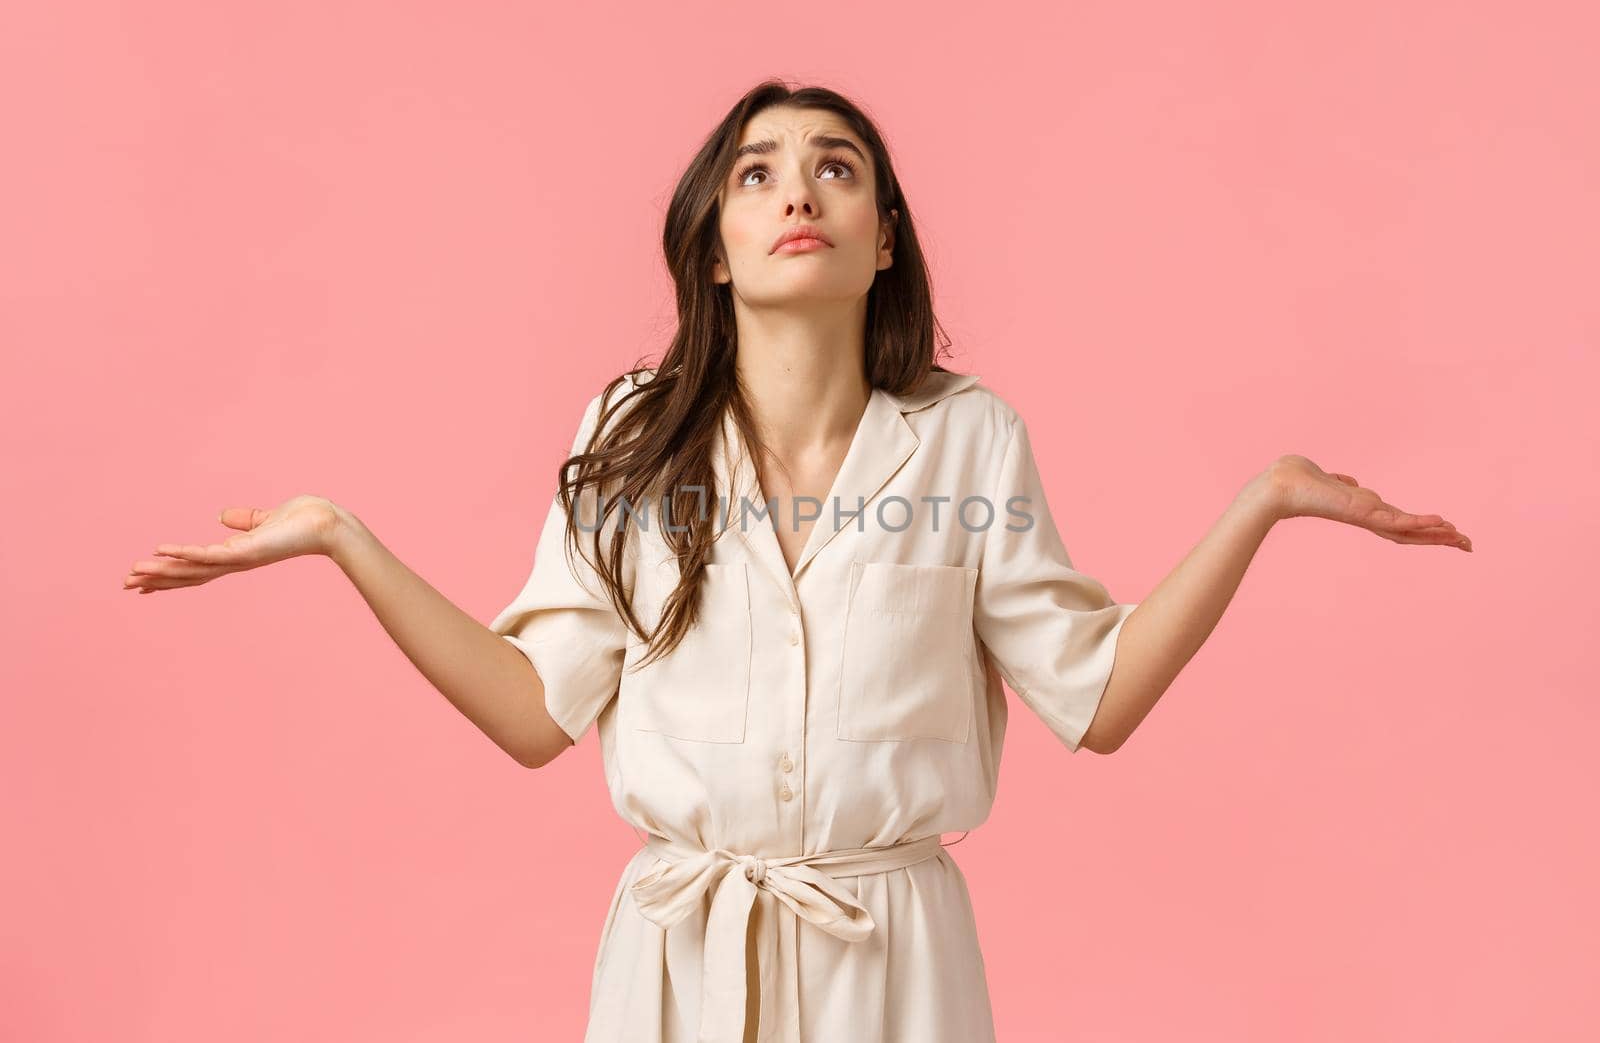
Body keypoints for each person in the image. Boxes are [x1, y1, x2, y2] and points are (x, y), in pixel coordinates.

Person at [122, 80, 1473, 1043]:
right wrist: (345, 542)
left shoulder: (964, 440)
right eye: (756, 173)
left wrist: (1264, 503)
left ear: (884, 238)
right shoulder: (627, 435)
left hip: (896, 964)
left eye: (838, 167)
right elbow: (536, 710)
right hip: (677, 964)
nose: (797, 192)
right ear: (712, 248)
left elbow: (1097, 695)